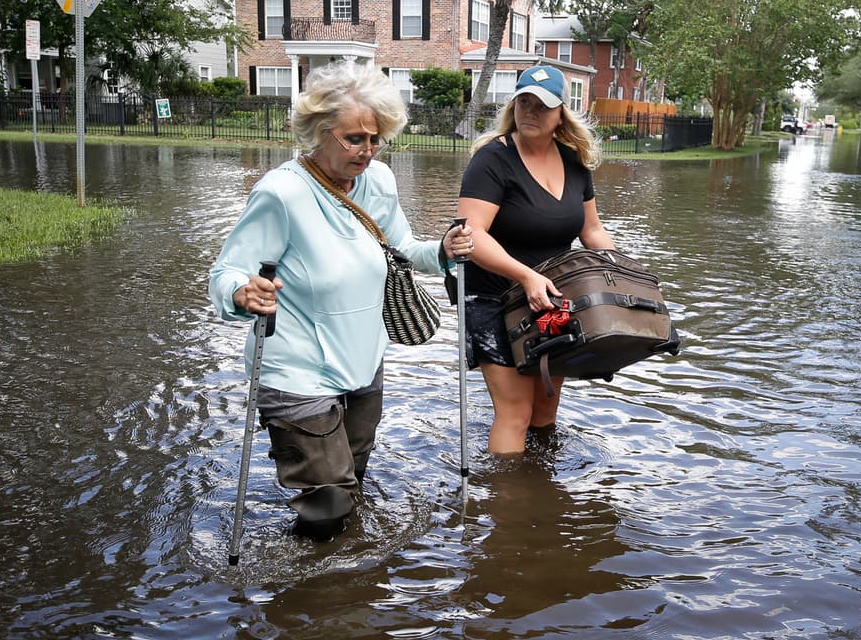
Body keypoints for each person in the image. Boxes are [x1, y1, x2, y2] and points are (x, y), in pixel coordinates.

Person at [209, 62, 473, 539]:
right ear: (318, 131)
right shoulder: (282, 193)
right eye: (354, 139)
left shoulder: (379, 181)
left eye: (376, 139)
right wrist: (242, 292)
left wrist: (442, 250)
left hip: (363, 358)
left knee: (353, 478)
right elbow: (226, 271)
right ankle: (311, 580)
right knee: (327, 502)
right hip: (296, 368)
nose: (367, 151)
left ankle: (345, 569)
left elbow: (401, 248)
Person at [455, 65, 616, 457]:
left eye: (542, 105)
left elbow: (592, 230)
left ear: (561, 114)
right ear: (513, 106)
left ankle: (541, 481)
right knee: (516, 411)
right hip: (493, 297)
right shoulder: (492, 160)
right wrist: (525, 276)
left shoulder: (574, 161)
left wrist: (619, 272)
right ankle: (508, 491)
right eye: (524, 101)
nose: (531, 111)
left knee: (545, 407)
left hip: (550, 299)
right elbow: (471, 235)